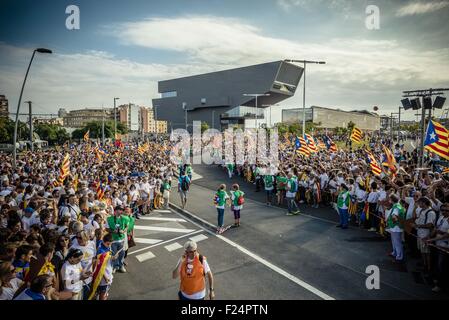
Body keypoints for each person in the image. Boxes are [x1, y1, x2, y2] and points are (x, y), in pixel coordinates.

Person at [106, 206, 128, 273]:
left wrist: (123, 231)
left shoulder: (124, 218)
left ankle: (121, 266)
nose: (121, 211)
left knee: (121, 254)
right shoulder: (109, 219)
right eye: (120, 210)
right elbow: (106, 229)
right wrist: (113, 231)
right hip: (113, 240)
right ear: (115, 211)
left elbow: (126, 227)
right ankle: (115, 266)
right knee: (114, 254)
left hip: (121, 239)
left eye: (122, 210)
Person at [386, 194, 406, 263]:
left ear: (392, 200)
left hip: (396, 227)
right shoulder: (397, 205)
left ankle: (399, 257)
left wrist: (393, 223)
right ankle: (394, 253)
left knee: (397, 242)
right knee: (394, 242)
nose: (389, 200)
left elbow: (394, 217)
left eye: (389, 199)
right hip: (395, 227)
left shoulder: (396, 207)